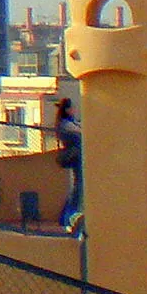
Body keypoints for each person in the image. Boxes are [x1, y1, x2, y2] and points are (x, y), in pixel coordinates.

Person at [55, 94, 84, 229]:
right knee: (78, 188)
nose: (74, 110)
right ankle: (68, 218)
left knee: (78, 187)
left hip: (76, 157)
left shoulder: (67, 123)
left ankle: (67, 218)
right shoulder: (66, 125)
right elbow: (82, 131)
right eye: (72, 108)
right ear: (67, 110)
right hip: (76, 157)